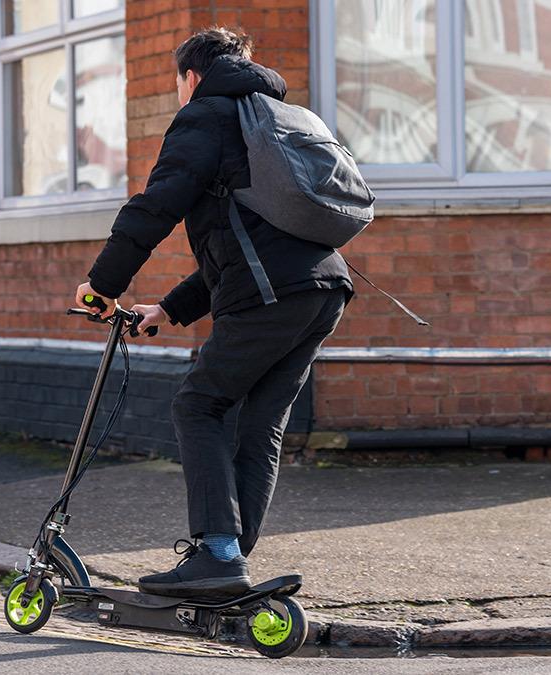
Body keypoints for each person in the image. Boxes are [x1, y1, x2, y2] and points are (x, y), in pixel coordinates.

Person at [74, 27, 353, 597]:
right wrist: (169, 309)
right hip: (322, 288)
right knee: (259, 424)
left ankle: (217, 557)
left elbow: (155, 206)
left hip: (271, 295)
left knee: (198, 404)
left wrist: (103, 285)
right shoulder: (270, 119)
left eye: (178, 83)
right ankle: (228, 563)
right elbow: (243, 243)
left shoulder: (205, 116)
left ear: (191, 78)